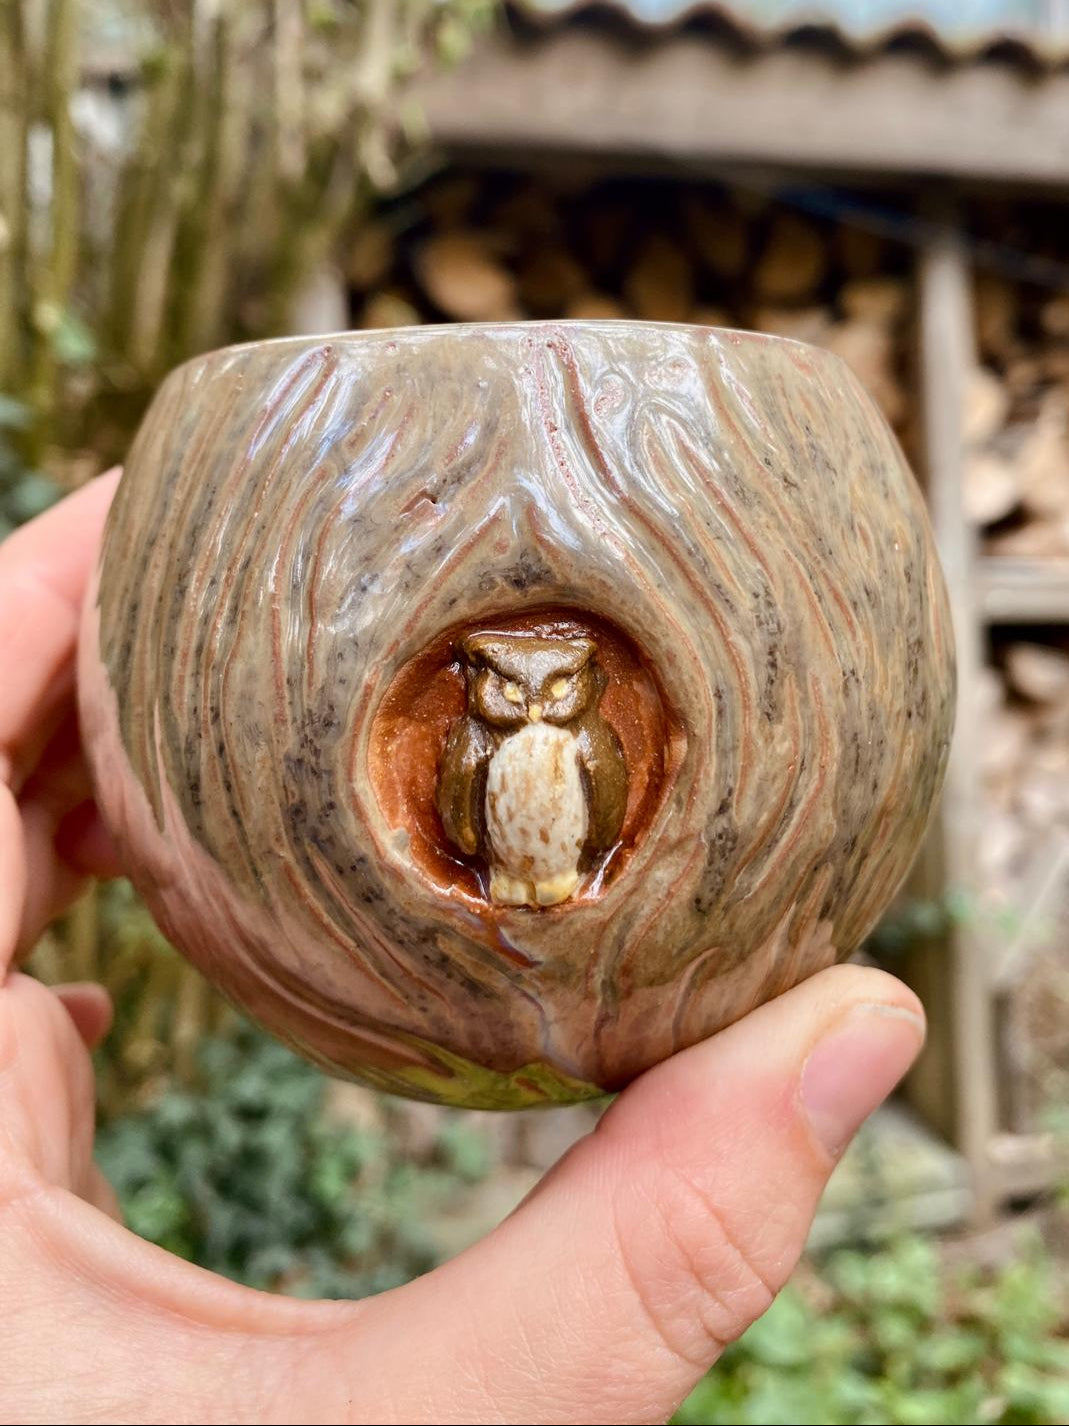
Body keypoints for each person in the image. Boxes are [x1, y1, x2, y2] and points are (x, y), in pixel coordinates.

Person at [0, 472, 925, 1425]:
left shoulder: (587, 750)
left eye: (557, 689)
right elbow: (459, 810)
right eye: (507, 689)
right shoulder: (480, 748)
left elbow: (601, 802)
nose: (531, 707)